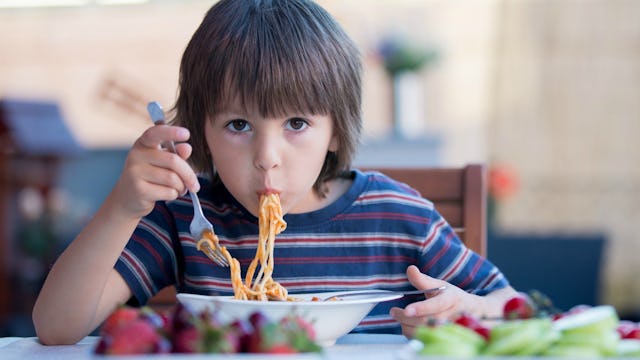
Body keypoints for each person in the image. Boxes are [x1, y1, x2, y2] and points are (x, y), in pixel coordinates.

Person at [32, 0, 518, 345]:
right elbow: (56, 329)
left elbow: (516, 306)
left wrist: (469, 309)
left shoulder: (397, 217)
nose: (268, 156)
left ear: (334, 130)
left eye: (297, 123)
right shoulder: (187, 221)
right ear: (200, 130)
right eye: (238, 124)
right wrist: (122, 207)